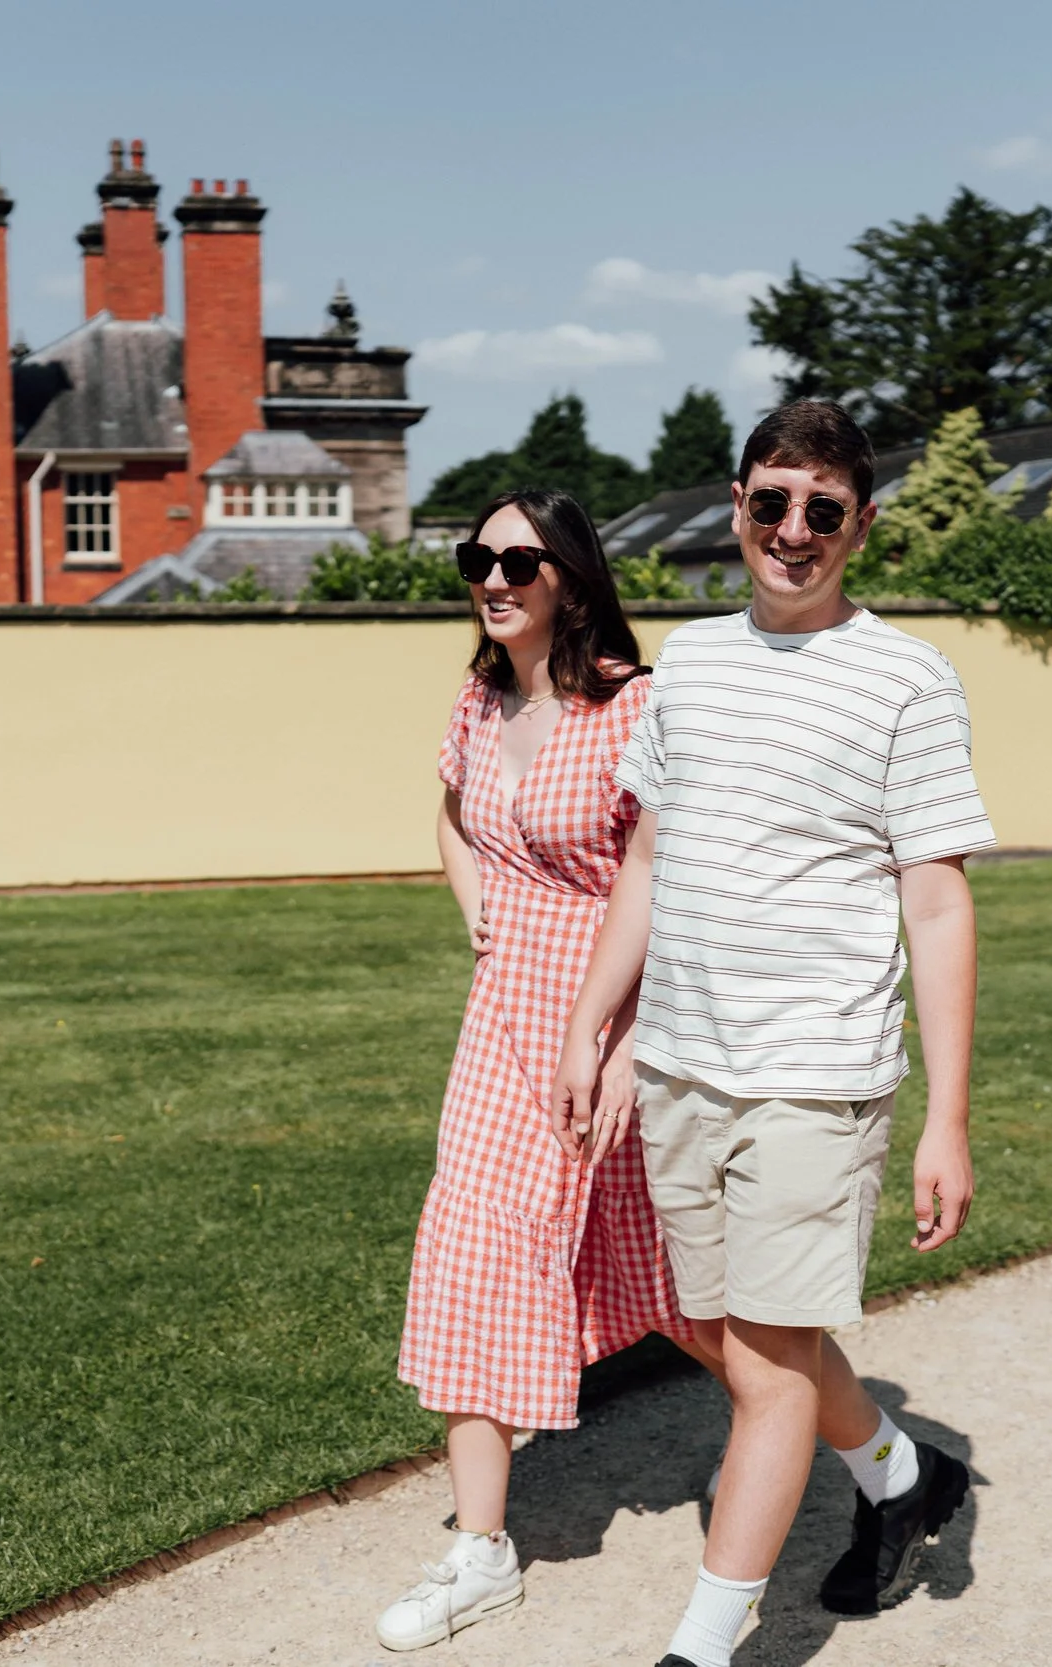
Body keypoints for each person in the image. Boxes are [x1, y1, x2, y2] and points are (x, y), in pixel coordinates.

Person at [552, 400, 994, 1666]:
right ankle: (906, 1474)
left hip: (816, 1071)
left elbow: (937, 896)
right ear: (736, 500)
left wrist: (946, 1119)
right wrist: (598, 1022)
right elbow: (646, 854)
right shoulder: (686, 662)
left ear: (861, 523)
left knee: (765, 1355)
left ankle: (703, 1646)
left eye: (822, 509)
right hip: (685, 1060)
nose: (791, 532)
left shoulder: (907, 676)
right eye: (769, 502)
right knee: (723, 1333)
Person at [380, 487, 696, 1652]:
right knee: (474, 1248)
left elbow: (658, 880)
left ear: (571, 572)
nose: (495, 577)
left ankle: (877, 1457)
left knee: (685, 1294)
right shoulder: (477, 697)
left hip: (614, 1025)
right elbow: (456, 817)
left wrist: (617, 1041)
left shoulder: (633, 705)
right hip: (501, 1022)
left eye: (521, 559)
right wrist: (481, 922)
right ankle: (482, 1548)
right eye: (479, 557)